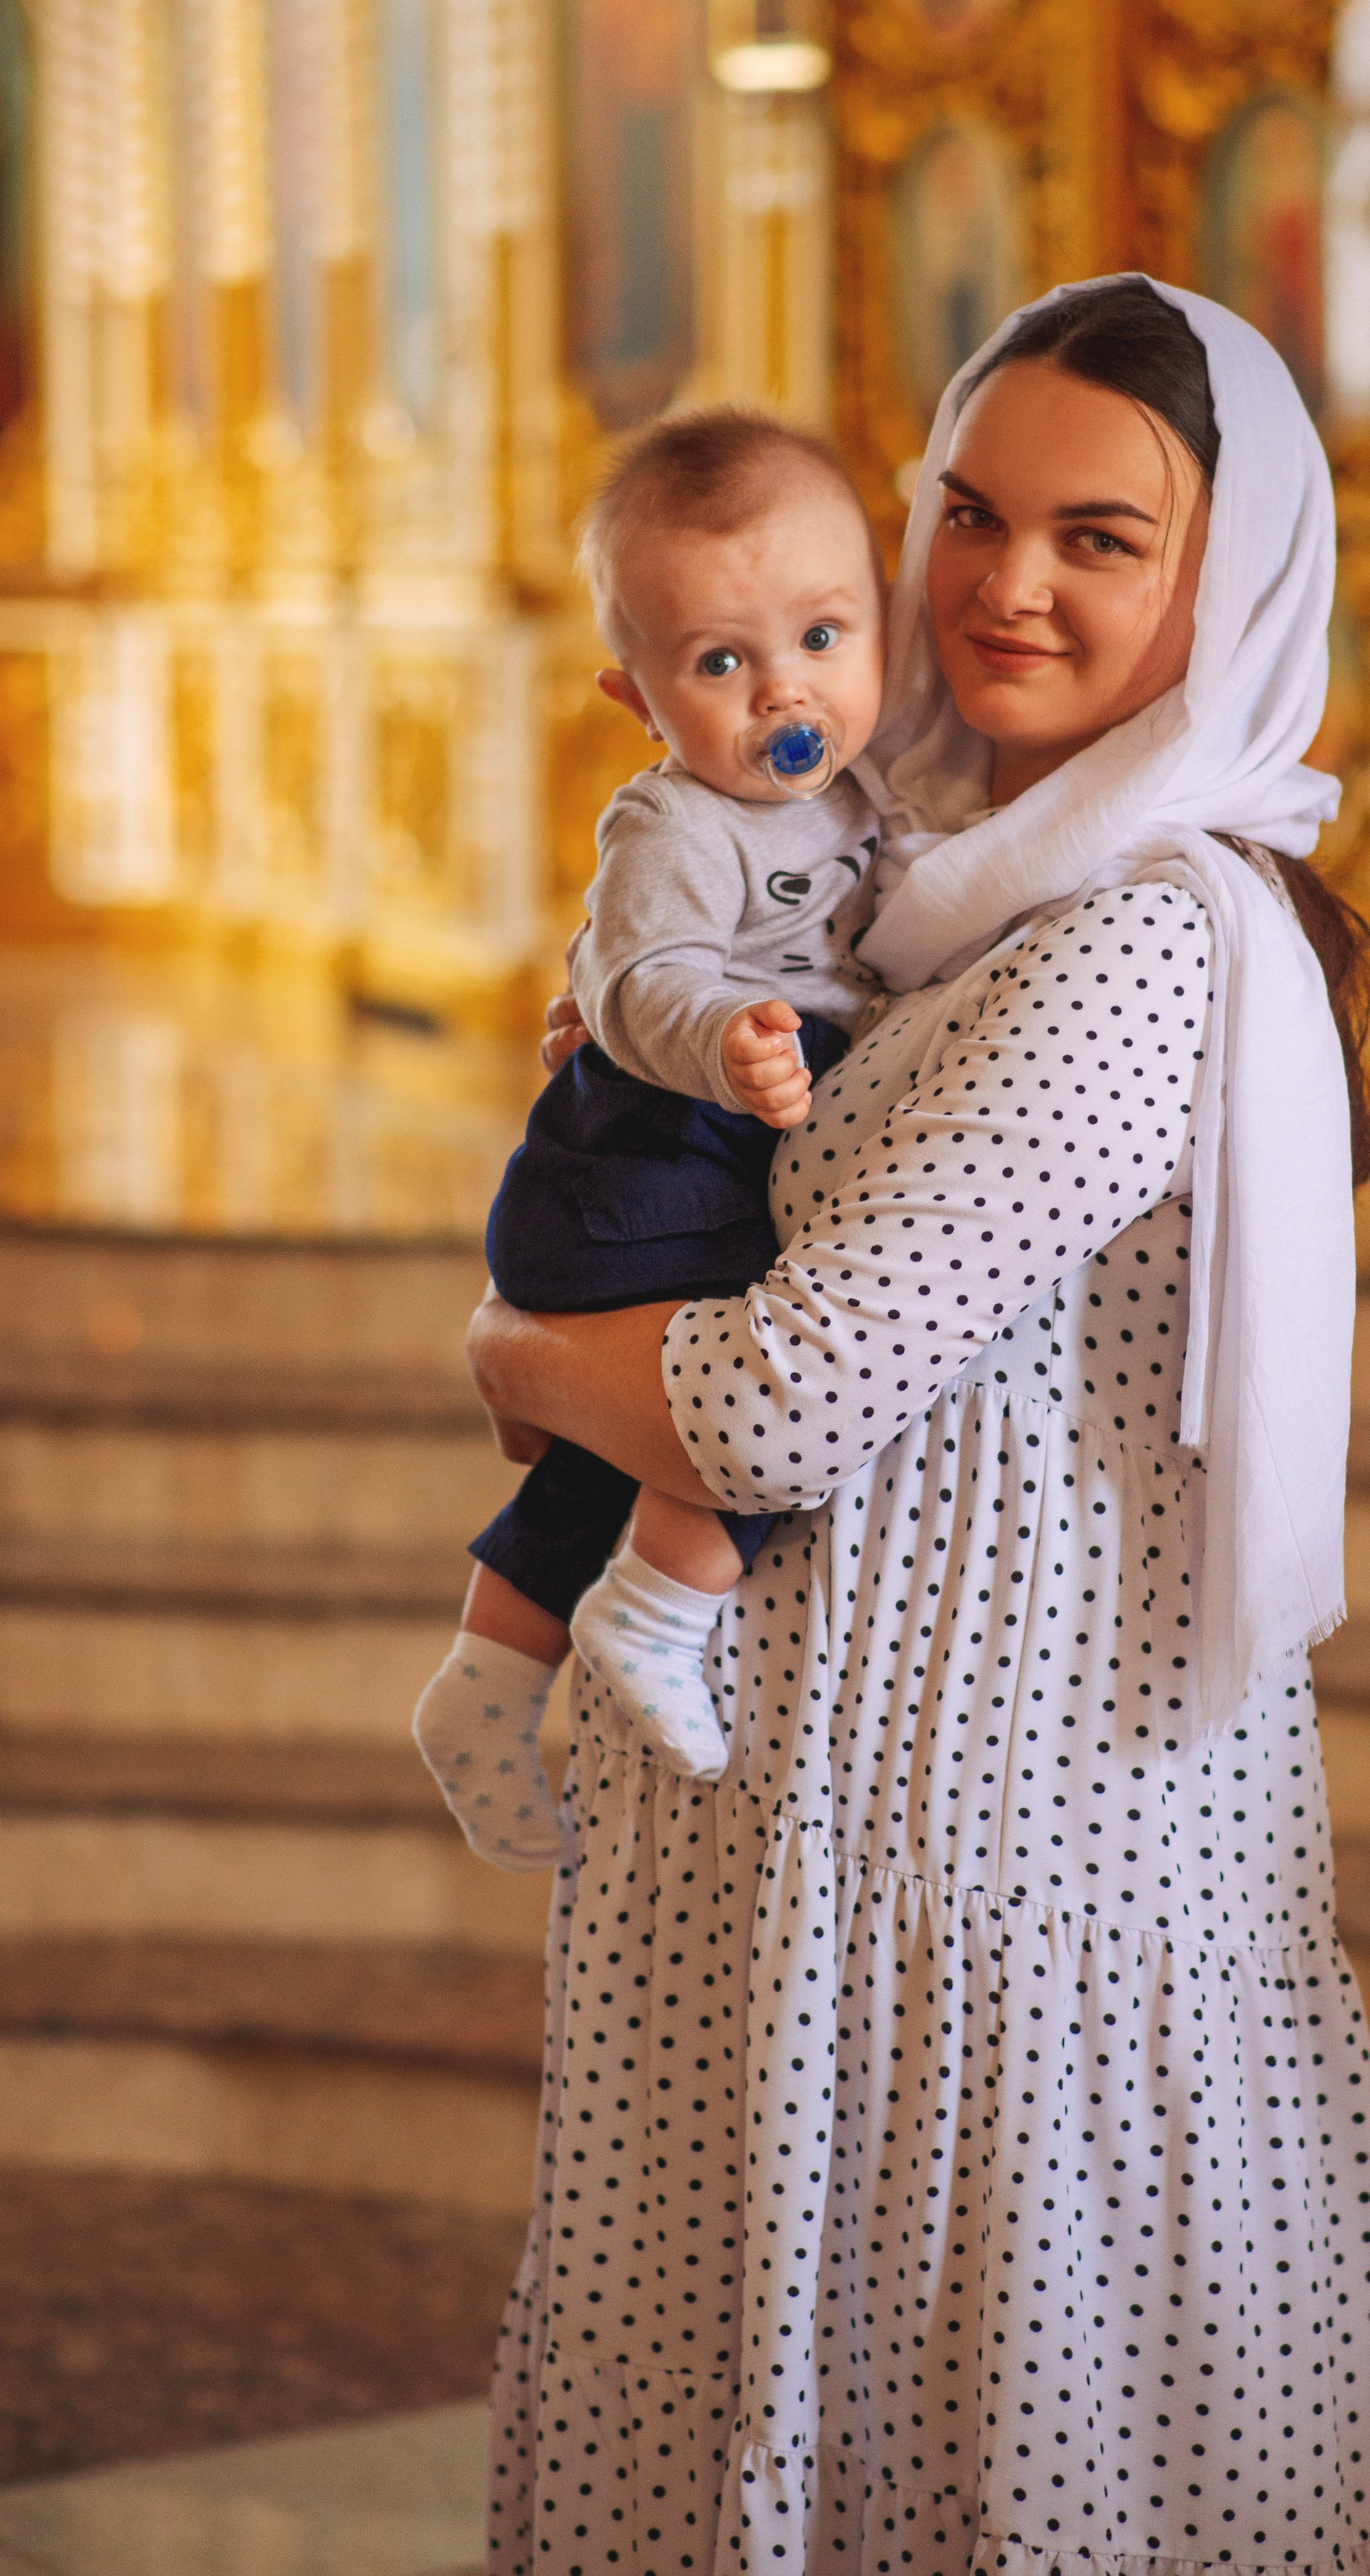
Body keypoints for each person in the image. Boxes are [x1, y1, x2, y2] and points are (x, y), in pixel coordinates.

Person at [468, 276, 1370, 2575]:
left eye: (1104, 535)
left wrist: (510, 1356)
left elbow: (780, 1397)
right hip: (807, 1878)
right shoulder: (895, 893)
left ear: (1234, 574)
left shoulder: (1141, 939)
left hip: (994, 1900)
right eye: (974, 515)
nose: (1011, 584)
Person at [414, 407, 887, 1841]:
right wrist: (725, 1042)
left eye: (822, 636)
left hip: (693, 1145)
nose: (781, 693)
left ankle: (484, 1685)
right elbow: (642, 976)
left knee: (590, 1464)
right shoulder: (674, 824)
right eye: (720, 664)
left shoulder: (869, 783)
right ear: (636, 697)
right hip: (650, 1159)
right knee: (768, 1380)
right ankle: (658, 1608)